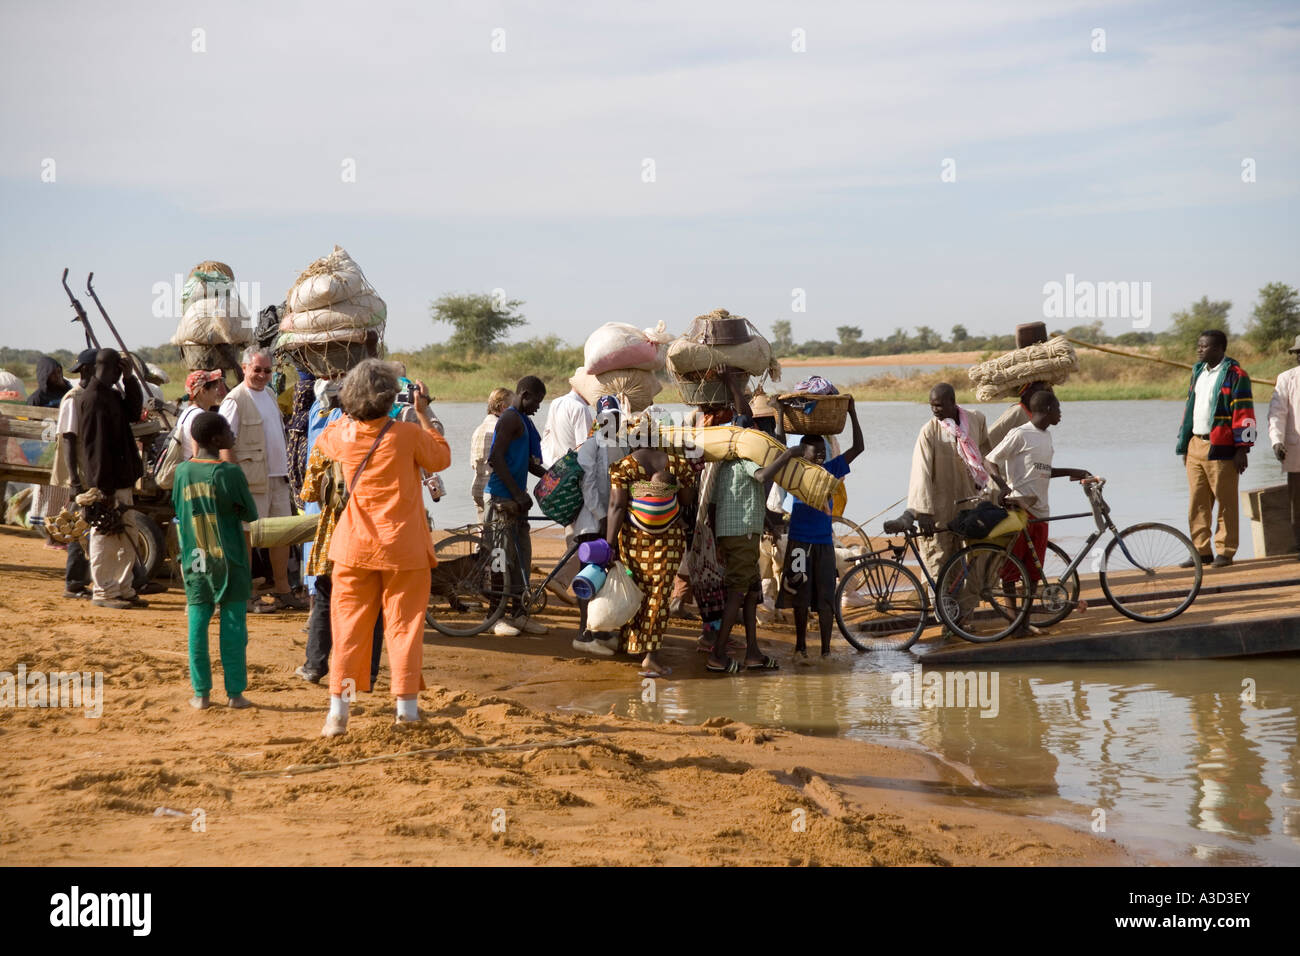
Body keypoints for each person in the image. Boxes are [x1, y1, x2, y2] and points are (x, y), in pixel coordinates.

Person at [316, 360, 450, 736]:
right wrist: (423, 414)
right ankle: (406, 711)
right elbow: (441, 457)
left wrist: (344, 413)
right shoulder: (407, 434)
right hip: (403, 549)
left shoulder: (343, 435)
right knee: (405, 629)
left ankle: (338, 715)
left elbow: (325, 438)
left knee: (348, 631)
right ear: (393, 396)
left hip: (353, 549)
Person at [296, 378, 385, 685]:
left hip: (334, 532)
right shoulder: (383, 436)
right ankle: (368, 673)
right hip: (372, 531)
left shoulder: (331, 435)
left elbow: (308, 491)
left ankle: (314, 666)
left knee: (325, 597)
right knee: (371, 605)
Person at [603, 411, 698, 678]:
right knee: (659, 595)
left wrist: (609, 545)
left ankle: (631, 643)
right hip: (669, 540)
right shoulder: (678, 464)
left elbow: (617, 506)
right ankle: (650, 655)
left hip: (634, 539)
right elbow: (688, 499)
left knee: (635, 589)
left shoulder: (624, 467)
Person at [172, 412, 257, 710]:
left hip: (195, 558)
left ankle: (201, 694)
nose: (233, 435)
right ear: (217, 439)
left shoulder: (182, 472)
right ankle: (235, 693)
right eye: (229, 432)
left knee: (197, 625)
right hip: (230, 558)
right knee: (233, 627)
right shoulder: (229, 473)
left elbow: (178, 507)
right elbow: (250, 513)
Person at [705, 371, 788, 673]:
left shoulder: (723, 463)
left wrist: (765, 521)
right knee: (738, 593)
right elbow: (764, 477)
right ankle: (717, 655)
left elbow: (717, 506)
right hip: (741, 534)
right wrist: (789, 454)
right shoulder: (744, 459)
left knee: (752, 592)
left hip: (737, 533)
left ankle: (753, 653)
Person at [985, 390, 1090, 628]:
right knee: (1011, 571)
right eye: (1059, 410)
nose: (1061, 415)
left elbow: (1042, 472)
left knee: (1033, 573)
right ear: (1048, 410)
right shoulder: (1020, 434)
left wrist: (1073, 471)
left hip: (1042, 512)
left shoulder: (1046, 437)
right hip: (1021, 509)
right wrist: (1002, 486)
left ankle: (1025, 621)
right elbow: (990, 459)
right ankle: (1014, 624)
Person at [219, 347, 306, 610]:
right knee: (246, 536)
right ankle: (244, 593)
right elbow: (224, 442)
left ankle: (282, 589)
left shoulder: (269, 394)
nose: (262, 375)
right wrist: (234, 481)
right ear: (244, 368)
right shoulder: (235, 400)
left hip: (278, 477)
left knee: (280, 535)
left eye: (267, 370)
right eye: (257, 369)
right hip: (251, 480)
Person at [780, 397, 863, 659]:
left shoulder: (830, 469)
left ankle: (826, 650)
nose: (819, 456)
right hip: (798, 544)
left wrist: (852, 412)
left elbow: (859, 447)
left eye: (823, 452)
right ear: (801, 454)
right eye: (814, 453)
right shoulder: (794, 470)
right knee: (800, 598)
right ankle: (801, 646)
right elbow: (780, 446)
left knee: (827, 599)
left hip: (824, 545)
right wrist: (778, 413)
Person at [70, 348, 146, 609]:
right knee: (105, 536)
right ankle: (103, 591)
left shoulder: (111, 395)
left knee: (127, 537)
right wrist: (104, 488)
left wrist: (130, 380)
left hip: (121, 480)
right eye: (120, 370)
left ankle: (123, 587)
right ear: (112, 369)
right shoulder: (93, 399)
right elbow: (96, 448)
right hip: (107, 484)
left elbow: (134, 412)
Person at [1175, 330, 1254, 567]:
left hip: (1222, 445)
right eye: (1198, 346)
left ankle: (1225, 550)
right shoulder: (1198, 372)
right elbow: (1191, 410)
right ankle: (1201, 551)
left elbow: (1245, 413)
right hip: (1195, 444)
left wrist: (1243, 449)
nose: (1199, 349)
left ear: (1219, 348)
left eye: (1204, 346)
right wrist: (1185, 444)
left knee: (1225, 500)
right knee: (1197, 501)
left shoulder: (1235, 374)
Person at [907, 383, 993, 589]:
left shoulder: (976, 420)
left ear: (952, 403)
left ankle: (963, 614)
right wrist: (923, 512)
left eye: (939, 405)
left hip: (970, 503)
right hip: (940, 508)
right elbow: (921, 472)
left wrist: (995, 491)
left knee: (974, 559)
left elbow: (987, 456)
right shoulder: (929, 432)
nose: (935, 410)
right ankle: (943, 613)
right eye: (932, 406)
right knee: (939, 561)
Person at [485, 376, 548, 637]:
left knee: (522, 558)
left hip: (516, 498)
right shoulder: (510, 418)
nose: (537, 407)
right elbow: (495, 458)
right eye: (536, 401)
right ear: (524, 394)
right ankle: (494, 616)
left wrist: (553, 477)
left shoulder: (525, 421)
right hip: (502, 497)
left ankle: (520, 614)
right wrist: (515, 493)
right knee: (500, 559)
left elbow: (529, 464)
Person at [571, 396, 624, 656]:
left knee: (604, 578)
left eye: (615, 416)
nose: (611, 421)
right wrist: (602, 517)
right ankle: (584, 634)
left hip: (610, 524)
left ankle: (601, 630)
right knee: (588, 578)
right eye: (607, 417)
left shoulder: (621, 446)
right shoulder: (589, 446)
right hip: (591, 524)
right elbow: (588, 486)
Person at [49, 349, 98, 596]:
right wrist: (75, 481)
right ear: (89, 370)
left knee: (86, 526)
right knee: (80, 527)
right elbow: (68, 439)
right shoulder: (73, 398)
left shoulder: (89, 396)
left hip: (87, 473)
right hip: (78, 474)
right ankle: (74, 583)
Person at [541, 381, 595, 603]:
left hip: (558, 474)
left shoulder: (557, 402)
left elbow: (547, 438)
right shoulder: (581, 409)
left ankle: (564, 579)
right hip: (576, 477)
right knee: (585, 533)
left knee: (573, 531)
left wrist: (552, 468)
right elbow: (587, 448)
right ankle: (561, 578)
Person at [26, 356, 73, 545]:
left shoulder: (69, 393)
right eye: (54, 373)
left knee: (65, 494)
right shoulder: (37, 398)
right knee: (47, 494)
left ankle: (62, 534)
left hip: (65, 451)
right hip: (44, 454)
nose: (58, 376)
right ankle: (50, 535)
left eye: (59, 372)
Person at [1267, 334, 1300, 557]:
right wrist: (1276, 441)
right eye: (1297, 353)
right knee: (1297, 502)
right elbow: (1277, 414)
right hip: (1296, 449)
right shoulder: (1287, 379)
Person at [470, 388, 512, 523]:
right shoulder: (500, 428)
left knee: (483, 533)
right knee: (500, 535)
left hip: (477, 487)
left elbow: (473, 463)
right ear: (504, 407)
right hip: (495, 491)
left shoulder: (479, 429)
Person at [176, 370, 228, 461]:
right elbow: (198, 455)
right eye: (215, 388)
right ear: (203, 391)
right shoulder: (199, 416)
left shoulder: (188, 411)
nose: (218, 392)